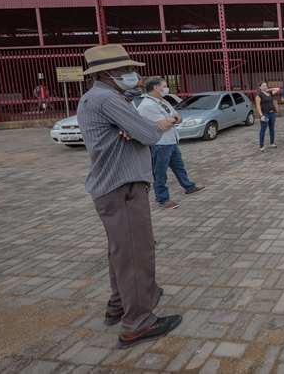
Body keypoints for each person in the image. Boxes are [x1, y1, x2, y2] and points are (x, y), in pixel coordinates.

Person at [76, 44, 181, 349]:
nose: (132, 75)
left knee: (121, 251)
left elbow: (140, 130)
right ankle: (137, 323)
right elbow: (150, 134)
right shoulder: (107, 99)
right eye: (124, 71)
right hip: (123, 187)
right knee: (137, 252)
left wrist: (135, 128)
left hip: (113, 187)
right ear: (106, 74)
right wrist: (139, 128)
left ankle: (119, 302)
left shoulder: (100, 97)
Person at [137, 76, 205, 210]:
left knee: (179, 167)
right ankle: (163, 199)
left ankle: (189, 187)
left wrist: (171, 119)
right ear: (156, 88)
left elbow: (179, 117)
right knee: (160, 173)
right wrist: (171, 120)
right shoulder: (147, 106)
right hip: (159, 143)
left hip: (171, 141)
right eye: (164, 86)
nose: (166, 88)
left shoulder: (163, 102)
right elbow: (163, 126)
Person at [256, 82, 280, 152]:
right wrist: (261, 115)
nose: (265, 87)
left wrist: (269, 89)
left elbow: (278, 89)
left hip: (272, 113)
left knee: (272, 129)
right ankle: (261, 146)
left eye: (266, 85)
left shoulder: (269, 93)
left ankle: (272, 143)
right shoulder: (259, 95)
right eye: (263, 86)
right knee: (263, 130)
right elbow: (258, 106)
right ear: (260, 87)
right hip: (265, 114)